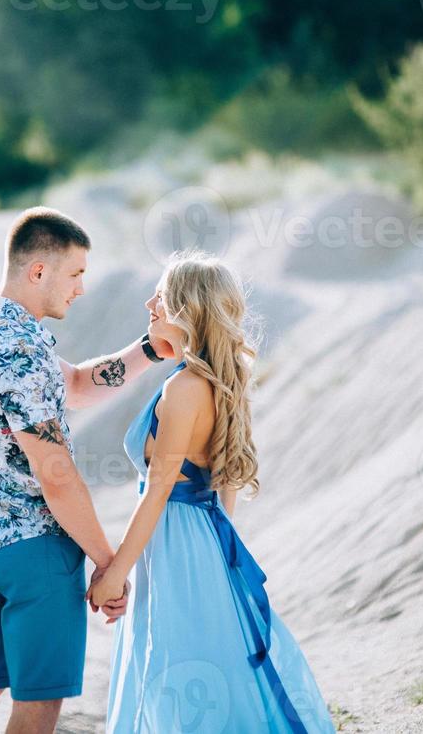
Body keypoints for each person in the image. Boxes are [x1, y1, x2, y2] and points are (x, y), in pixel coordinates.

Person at [0, 206, 173, 734]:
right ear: (38, 271)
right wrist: (108, 563)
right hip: (35, 552)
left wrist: (151, 349)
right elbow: (56, 475)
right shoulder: (18, 348)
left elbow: (78, 385)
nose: (82, 288)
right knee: (37, 706)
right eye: (76, 274)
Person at [88, 251, 336, 733]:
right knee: (205, 660)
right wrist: (213, 552)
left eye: (158, 295)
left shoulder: (184, 388)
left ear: (184, 307)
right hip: (199, 537)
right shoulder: (215, 382)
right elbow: (223, 484)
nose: (148, 303)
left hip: (176, 541)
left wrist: (116, 572)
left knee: (177, 668)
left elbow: (157, 493)